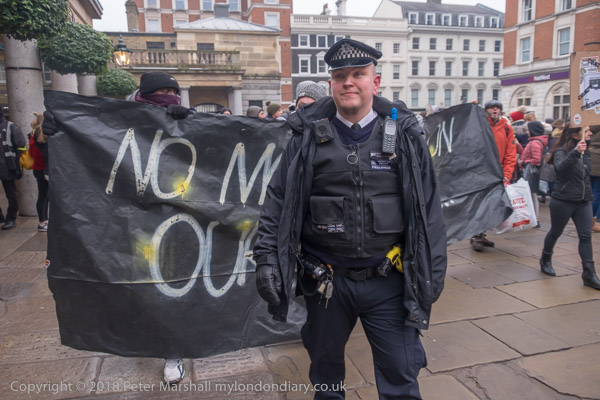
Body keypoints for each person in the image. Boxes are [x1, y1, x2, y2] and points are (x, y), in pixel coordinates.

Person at [253, 38, 447, 399]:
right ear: (331, 84)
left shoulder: (405, 136)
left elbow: (429, 211)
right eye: (340, 76)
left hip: (389, 283)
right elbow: (278, 201)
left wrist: (432, 272)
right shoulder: (305, 136)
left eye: (358, 74)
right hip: (327, 285)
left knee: (401, 378)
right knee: (326, 378)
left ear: (375, 82)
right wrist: (266, 257)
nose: (349, 82)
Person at [132, 71, 191, 384]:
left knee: (170, 283)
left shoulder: (184, 121)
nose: (169, 96)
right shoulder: (120, 120)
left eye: (172, 91)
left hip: (174, 220)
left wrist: (188, 124)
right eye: (161, 92)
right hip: (132, 219)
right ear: (144, 95)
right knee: (141, 284)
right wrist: (58, 131)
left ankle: (172, 350)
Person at [539, 124, 600, 290]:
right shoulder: (562, 151)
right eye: (586, 131)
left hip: (583, 201)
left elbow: (586, 175)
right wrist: (575, 152)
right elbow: (560, 168)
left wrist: (583, 152)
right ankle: (546, 259)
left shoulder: (586, 151)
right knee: (555, 232)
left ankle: (589, 274)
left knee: (585, 236)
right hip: (563, 200)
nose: (590, 133)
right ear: (575, 135)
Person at [470, 99, 517, 251]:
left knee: (490, 205)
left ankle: (481, 234)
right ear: (486, 110)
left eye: (497, 107)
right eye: (491, 108)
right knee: (479, 205)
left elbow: (510, 154)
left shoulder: (507, 128)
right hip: (481, 172)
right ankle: (476, 235)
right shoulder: (480, 125)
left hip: (498, 174)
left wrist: (507, 174)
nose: (495, 110)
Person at [0, 111, 26, 230]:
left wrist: (18, 165)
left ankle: (11, 218)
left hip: (8, 167)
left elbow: (21, 146)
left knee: (11, 194)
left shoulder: (11, 127)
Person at [520, 121, 547, 227]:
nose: (527, 131)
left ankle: (535, 219)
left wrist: (525, 162)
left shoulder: (535, 142)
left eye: (528, 129)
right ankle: (534, 218)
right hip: (532, 171)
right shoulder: (535, 141)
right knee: (531, 194)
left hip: (531, 172)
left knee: (532, 195)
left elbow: (536, 159)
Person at [29, 112, 50, 232]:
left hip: (38, 169)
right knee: (45, 196)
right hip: (45, 170)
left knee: (43, 195)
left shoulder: (33, 137)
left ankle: (43, 220)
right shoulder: (42, 138)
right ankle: (43, 222)